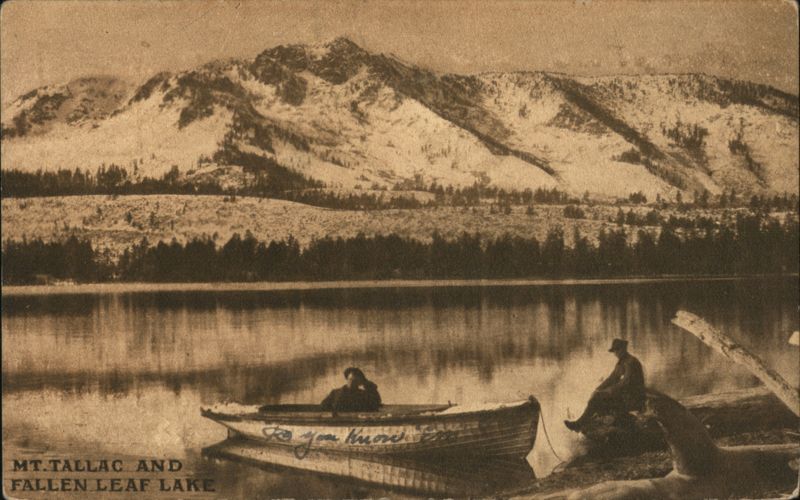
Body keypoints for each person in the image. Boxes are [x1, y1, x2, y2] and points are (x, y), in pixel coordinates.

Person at [564, 338, 645, 432]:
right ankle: (588, 424)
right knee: (597, 396)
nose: (616, 353)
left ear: (624, 349)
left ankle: (580, 424)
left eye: (618, 350)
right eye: (615, 350)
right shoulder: (622, 362)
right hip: (626, 395)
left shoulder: (631, 362)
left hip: (633, 397)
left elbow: (625, 382)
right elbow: (612, 378)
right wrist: (598, 389)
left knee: (597, 399)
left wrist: (608, 391)